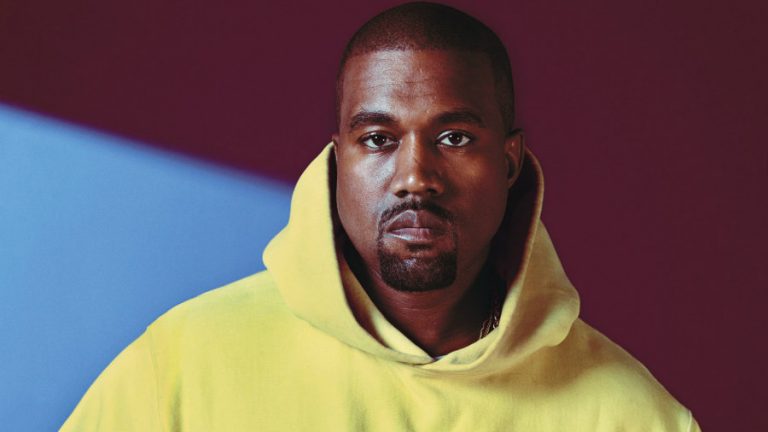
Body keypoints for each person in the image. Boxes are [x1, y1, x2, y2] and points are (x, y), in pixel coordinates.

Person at [62, 2, 700, 431]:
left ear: (508, 162)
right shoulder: (180, 366)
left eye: (454, 138)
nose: (415, 176)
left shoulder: (632, 418)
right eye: (377, 139)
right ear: (338, 160)